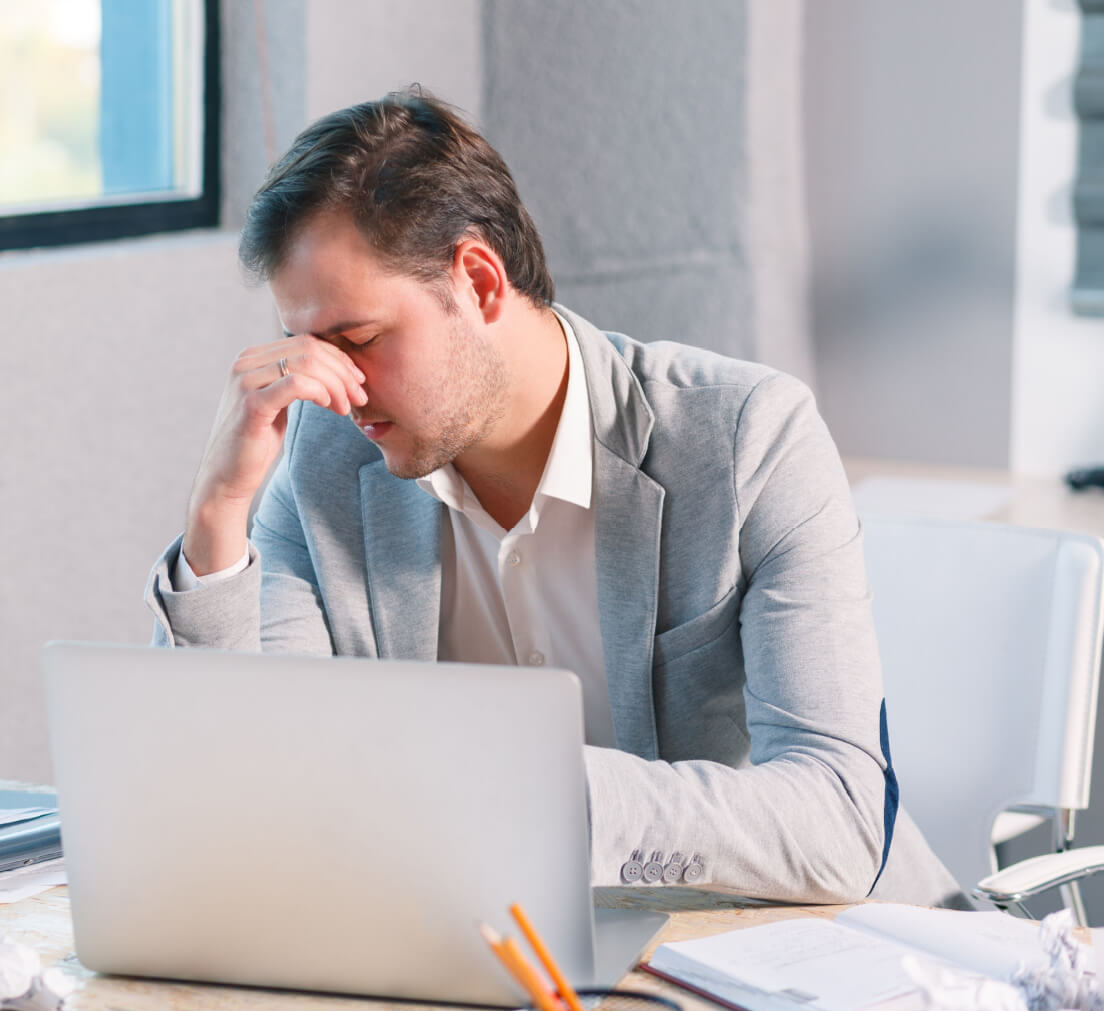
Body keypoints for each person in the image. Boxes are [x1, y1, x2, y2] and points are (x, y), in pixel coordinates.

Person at [144, 87, 962, 906]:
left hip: (819, 975)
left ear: (478, 280)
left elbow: (840, 823)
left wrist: (526, 791)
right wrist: (218, 511)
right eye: (306, 345)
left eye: (357, 339)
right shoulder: (326, 454)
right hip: (500, 969)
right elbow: (253, 783)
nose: (338, 386)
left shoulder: (748, 438)